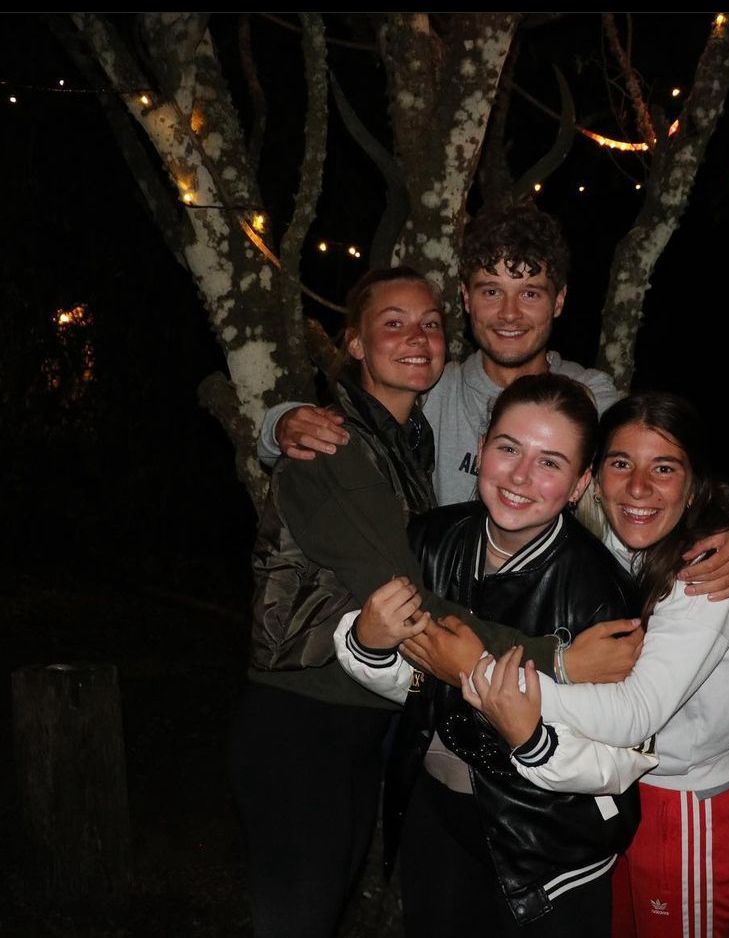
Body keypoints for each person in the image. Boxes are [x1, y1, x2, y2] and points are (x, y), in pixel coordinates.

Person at [229, 268, 637, 938]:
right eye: (393, 323)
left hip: (367, 721)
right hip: (304, 720)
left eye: (429, 324)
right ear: (354, 344)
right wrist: (558, 659)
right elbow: (410, 604)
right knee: (300, 914)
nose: (417, 337)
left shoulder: (406, 441)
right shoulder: (332, 448)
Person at [255, 200, 729, 602]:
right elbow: (351, 423)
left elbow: (678, 482)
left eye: (530, 293)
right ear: (466, 299)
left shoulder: (590, 399)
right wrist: (281, 423)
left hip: (557, 633)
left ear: (558, 301)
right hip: (441, 638)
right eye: (491, 291)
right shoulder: (433, 389)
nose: (509, 314)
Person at [334, 374, 654, 937]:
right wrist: (369, 643)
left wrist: (529, 733)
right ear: (480, 449)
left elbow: (626, 756)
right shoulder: (429, 540)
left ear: (579, 484)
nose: (520, 476)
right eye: (508, 448)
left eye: (550, 462)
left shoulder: (601, 593)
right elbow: (415, 681)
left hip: (548, 846)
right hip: (437, 815)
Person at [456, 391, 729, 938]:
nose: (638, 487)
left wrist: (491, 678)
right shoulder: (612, 543)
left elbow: (634, 714)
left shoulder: (709, 576)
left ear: (693, 486)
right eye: (622, 463)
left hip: (684, 806)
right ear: (593, 480)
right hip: (613, 795)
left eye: (663, 468)